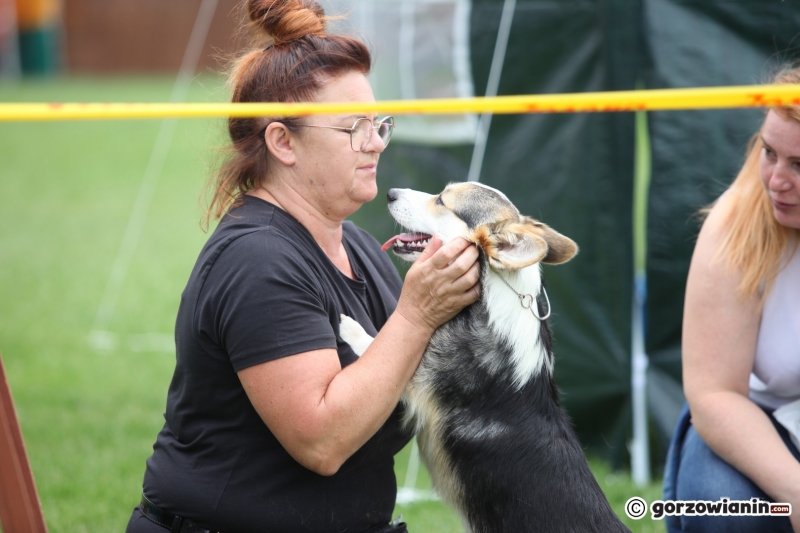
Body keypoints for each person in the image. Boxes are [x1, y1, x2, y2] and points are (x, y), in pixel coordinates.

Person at [124, 1, 481, 532]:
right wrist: (416, 315)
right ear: (282, 142)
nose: (377, 143)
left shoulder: (358, 245)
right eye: (353, 129)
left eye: (379, 124)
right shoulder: (257, 260)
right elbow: (322, 440)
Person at [663, 66, 800, 533]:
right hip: (750, 414)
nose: (777, 180)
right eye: (769, 152)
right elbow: (715, 394)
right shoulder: (734, 224)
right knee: (731, 513)